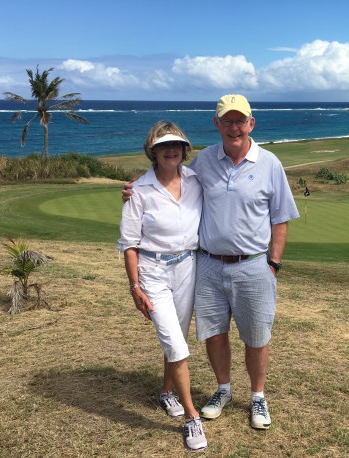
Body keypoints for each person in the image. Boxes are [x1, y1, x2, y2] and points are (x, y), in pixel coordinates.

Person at [123, 94, 299, 430]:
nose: (234, 127)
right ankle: (223, 389)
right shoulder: (203, 163)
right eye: (227, 121)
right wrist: (135, 190)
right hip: (208, 265)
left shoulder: (270, 163)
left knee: (256, 336)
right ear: (216, 124)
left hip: (253, 265)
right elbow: (169, 177)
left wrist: (273, 264)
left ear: (251, 124)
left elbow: (281, 218)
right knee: (214, 334)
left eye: (240, 120)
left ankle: (258, 397)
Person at [118, 120, 207, 451]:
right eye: (164, 146)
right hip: (152, 271)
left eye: (177, 145)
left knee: (178, 339)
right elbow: (129, 243)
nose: (171, 150)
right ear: (152, 151)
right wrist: (134, 286)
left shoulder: (197, 180)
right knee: (174, 341)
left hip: (188, 266)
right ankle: (191, 417)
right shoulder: (138, 190)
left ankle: (166, 393)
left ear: (184, 150)